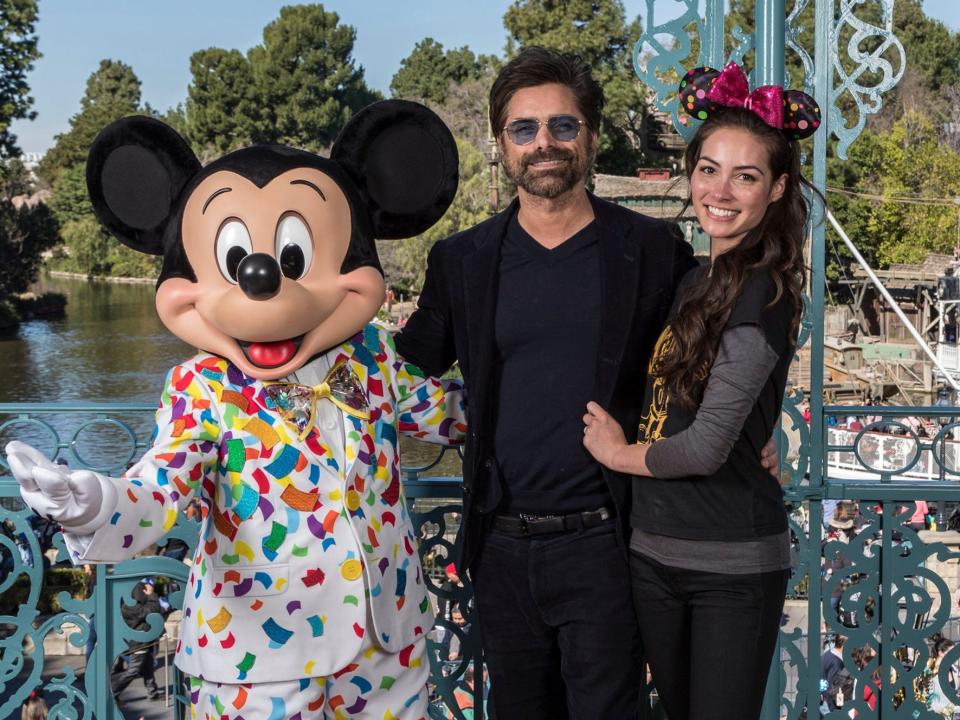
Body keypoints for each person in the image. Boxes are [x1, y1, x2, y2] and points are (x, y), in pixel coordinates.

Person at [395, 46, 699, 719]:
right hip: (499, 543)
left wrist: (750, 430)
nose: (545, 144)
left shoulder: (650, 250)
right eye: (524, 129)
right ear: (502, 143)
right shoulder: (463, 259)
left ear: (589, 137)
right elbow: (405, 365)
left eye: (563, 126)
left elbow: (708, 354)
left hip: (608, 543)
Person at [582, 62, 822, 719]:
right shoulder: (694, 279)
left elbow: (707, 446)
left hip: (733, 567)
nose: (720, 189)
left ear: (776, 189)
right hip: (655, 553)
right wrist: (762, 434)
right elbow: (708, 407)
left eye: (746, 176)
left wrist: (616, 453)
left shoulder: (761, 292)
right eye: (709, 168)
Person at [111, 577, 167, 702]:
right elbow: (153, 611)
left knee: (147, 667)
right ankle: (112, 693)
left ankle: (152, 692)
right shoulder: (129, 606)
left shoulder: (128, 602)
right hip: (138, 641)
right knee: (134, 670)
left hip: (143, 640)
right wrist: (152, 595)